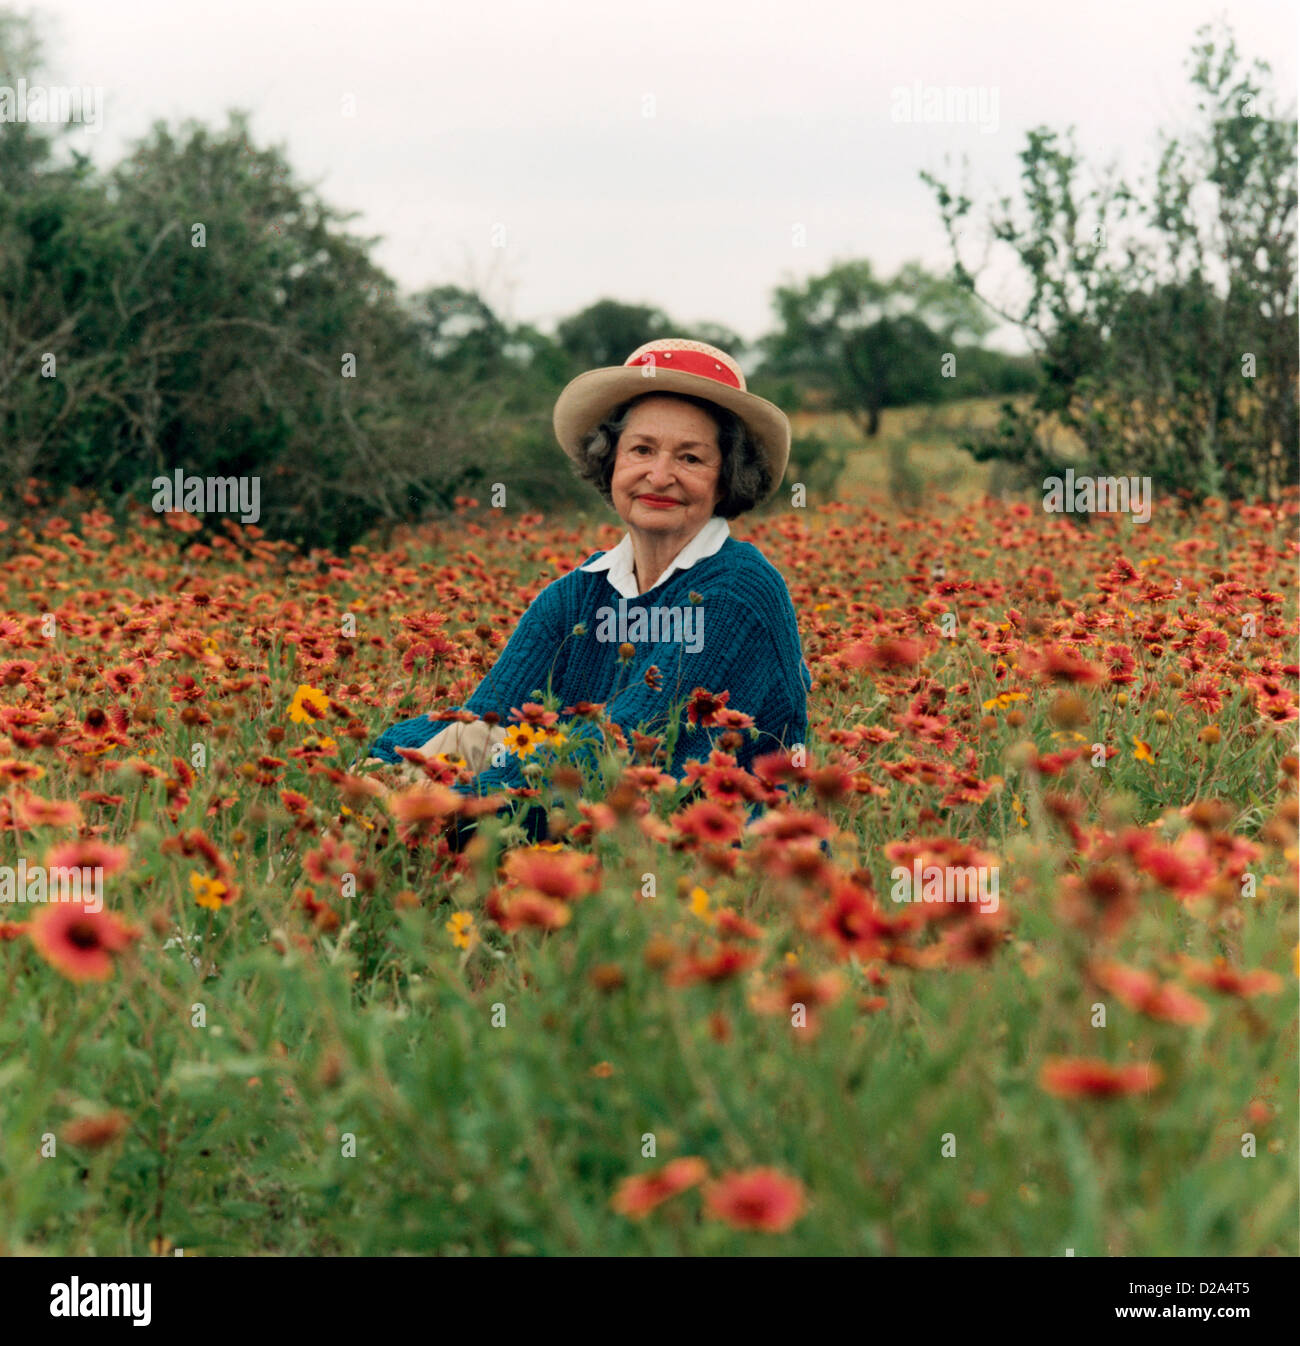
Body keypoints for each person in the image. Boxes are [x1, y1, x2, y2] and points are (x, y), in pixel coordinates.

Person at [364, 337, 812, 830]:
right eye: (641, 450)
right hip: (563, 825)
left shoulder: (738, 592)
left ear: (726, 478)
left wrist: (461, 804)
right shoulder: (578, 594)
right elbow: (484, 718)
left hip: (706, 860)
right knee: (427, 761)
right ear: (611, 461)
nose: (659, 476)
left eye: (690, 458)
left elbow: (629, 753)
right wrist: (382, 763)